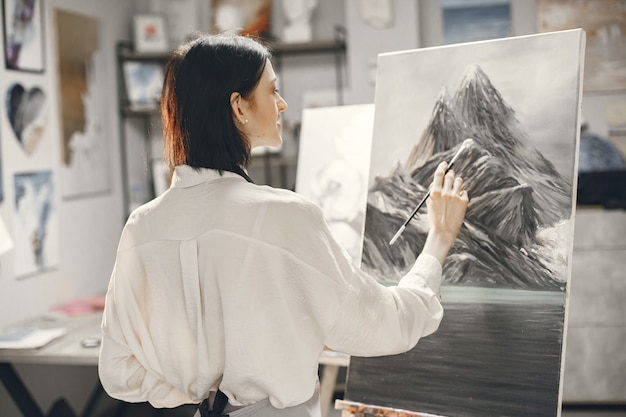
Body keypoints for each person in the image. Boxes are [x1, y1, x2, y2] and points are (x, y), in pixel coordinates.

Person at [98, 33, 469, 417]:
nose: (282, 103)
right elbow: (390, 324)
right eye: (272, 90)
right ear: (238, 106)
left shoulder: (141, 227)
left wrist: (207, 393)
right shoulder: (284, 216)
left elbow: (117, 371)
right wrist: (438, 240)